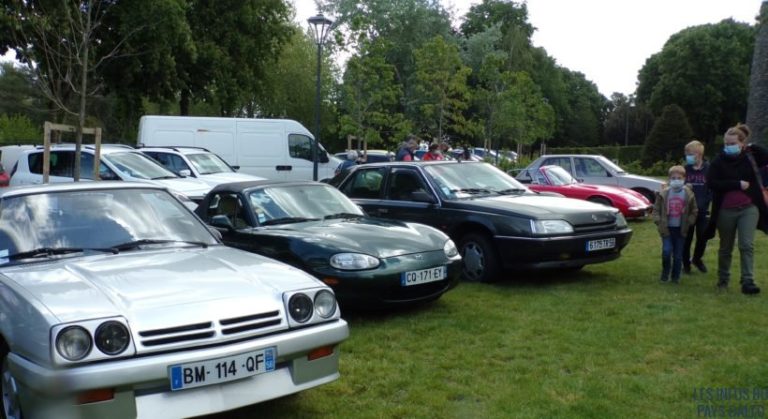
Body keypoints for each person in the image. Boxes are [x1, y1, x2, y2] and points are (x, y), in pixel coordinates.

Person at [704, 123, 768, 294]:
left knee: (746, 245)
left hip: (749, 208)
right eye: (726, 143)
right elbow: (712, 183)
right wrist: (736, 184)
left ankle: (748, 281)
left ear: (742, 144)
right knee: (726, 247)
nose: (729, 146)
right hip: (725, 210)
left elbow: (766, 157)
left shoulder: (750, 158)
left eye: (733, 143)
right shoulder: (718, 162)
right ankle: (723, 279)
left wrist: (752, 146)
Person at [653, 165, 698, 283]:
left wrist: (689, 222)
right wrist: (658, 221)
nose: (676, 180)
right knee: (666, 252)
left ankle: (675, 277)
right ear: (669, 179)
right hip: (667, 229)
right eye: (673, 178)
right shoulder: (664, 194)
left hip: (681, 229)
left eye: (679, 178)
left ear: (684, 179)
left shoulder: (688, 194)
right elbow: (656, 210)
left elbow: (694, 210)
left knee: (678, 256)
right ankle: (665, 273)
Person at [682, 140, 711, 274]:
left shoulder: (708, 169)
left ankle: (697, 259)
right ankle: (685, 264)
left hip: (702, 210)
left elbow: (712, 188)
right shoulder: (685, 170)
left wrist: (706, 201)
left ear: (699, 154)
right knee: (686, 238)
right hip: (687, 211)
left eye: (690, 154)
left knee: (703, 236)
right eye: (686, 154)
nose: (687, 156)